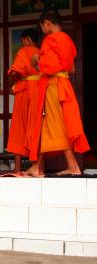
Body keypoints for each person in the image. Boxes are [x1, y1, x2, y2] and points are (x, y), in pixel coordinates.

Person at [26, 8, 90, 176]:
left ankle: (72, 165)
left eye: (42, 27)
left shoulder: (51, 39)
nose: (42, 31)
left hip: (53, 85)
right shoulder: (68, 40)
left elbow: (49, 66)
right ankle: (37, 166)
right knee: (48, 123)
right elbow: (72, 68)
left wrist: (37, 60)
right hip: (63, 84)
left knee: (54, 124)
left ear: (47, 23)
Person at [6, 28, 40, 173]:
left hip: (24, 92)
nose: (22, 44)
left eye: (22, 41)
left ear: (27, 39)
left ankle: (18, 168)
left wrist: (11, 83)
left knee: (19, 127)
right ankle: (38, 166)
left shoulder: (23, 52)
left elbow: (14, 73)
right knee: (37, 126)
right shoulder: (42, 52)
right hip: (39, 90)